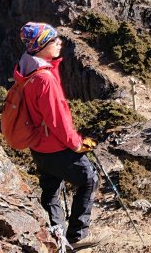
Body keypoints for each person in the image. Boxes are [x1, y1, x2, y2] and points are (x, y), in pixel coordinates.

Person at [15, 22, 103, 250]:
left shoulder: (26, 68)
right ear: (42, 45)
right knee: (89, 179)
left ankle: (56, 238)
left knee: (51, 191)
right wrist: (78, 144)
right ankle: (76, 236)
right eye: (54, 41)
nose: (59, 43)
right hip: (55, 147)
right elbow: (57, 120)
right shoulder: (44, 80)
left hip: (38, 145)